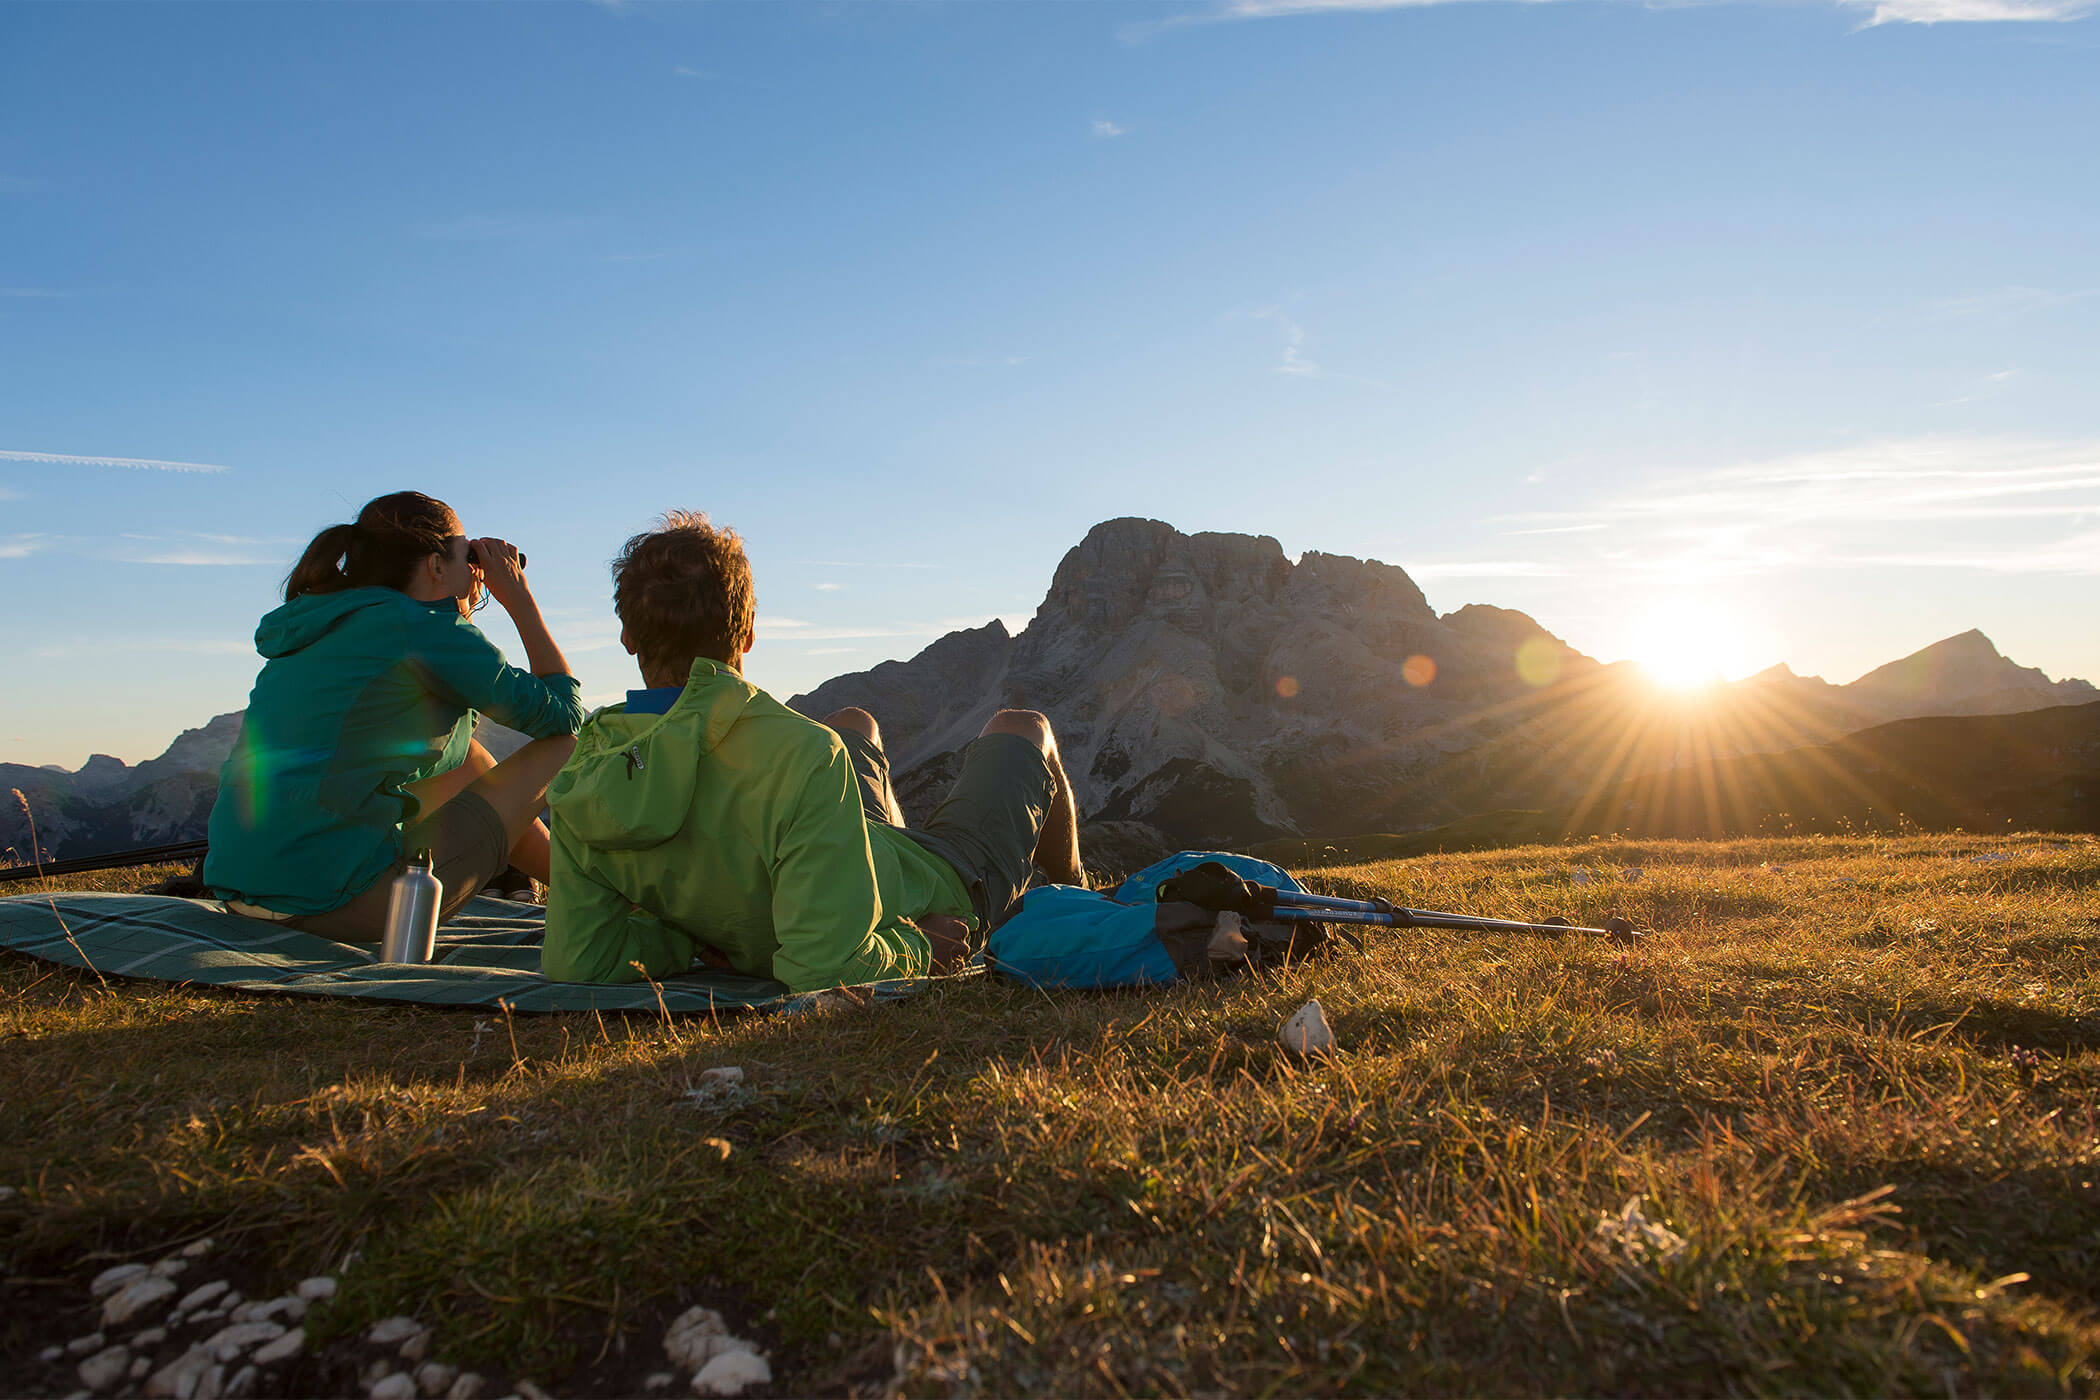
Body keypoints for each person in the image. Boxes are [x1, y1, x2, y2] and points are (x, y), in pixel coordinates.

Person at [541, 510, 1084, 993]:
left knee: (855, 722)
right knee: (1025, 725)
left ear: (627, 638)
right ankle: (1076, 893)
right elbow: (826, 970)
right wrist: (923, 949)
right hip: (944, 887)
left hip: (832, 865)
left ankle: (886, 851)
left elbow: (582, 959)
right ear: (748, 633)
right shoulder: (802, 752)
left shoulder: (587, 771)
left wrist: (689, 942)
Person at [204, 491, 585, 938]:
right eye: (468, 553)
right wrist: (518, 598)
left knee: (466, 759)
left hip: (245, 896)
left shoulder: (327, 619)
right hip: (338, 904)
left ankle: (578, 888)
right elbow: (564, 717)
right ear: (436, 565)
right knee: (562, 746)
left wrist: (456, 605)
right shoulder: (423, 627)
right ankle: (593, 889)